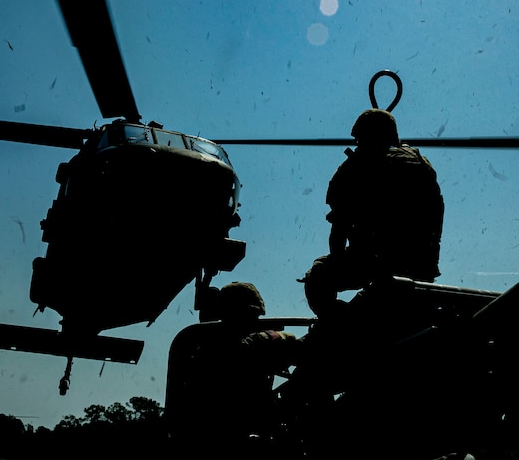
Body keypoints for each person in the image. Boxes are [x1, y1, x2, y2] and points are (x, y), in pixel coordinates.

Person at [300, 108, 444, 318]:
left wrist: (342, 260)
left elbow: (338, 231)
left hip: (373, 262)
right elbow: (436, 215)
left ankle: (337, 326)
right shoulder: (422, 165)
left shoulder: (356, 168)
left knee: (319, 273)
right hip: (421, 266)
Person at [167, 282, 301, 458]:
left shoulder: (207, 346)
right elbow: (241, 356)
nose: (253, 321)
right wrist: (276, 339)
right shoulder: (217, 350)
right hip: (221, 441)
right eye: (249, 315)